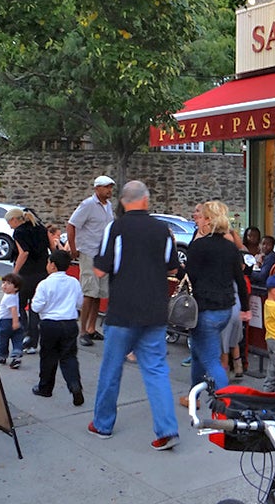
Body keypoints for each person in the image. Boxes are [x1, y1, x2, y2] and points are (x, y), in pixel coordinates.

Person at [88, 180, 181, 449]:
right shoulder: (162, 230)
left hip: (122, 310)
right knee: (156, 370)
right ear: (146, 200)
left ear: (124, 202)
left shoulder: (115, 228)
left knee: (111, 369)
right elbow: (173, 268)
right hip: (154, 310)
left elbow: (101, 269)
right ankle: (167, 430)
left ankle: (103, 424)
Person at [181, 200, 249, 405]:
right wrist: (245, 308)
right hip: (225, 308)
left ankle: (231, 404)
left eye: (201, 216)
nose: (198, 220)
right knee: (197, 352)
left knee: (211, 359)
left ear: (208, 220)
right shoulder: (230, 247)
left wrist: (177, 268)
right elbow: (240, 279)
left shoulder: (199, 246)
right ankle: (194, 396)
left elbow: (189, 276)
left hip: (205, 309)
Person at [31, 250, 84, 406]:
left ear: (52, 265)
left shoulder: (45, 284)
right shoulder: (73, 282)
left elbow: (36, 306)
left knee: (48, 357)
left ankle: (45, 388)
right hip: (69, 323)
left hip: (50, 323)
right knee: (69, 357)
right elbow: (80, 302)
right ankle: (74, 385)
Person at [67, 175, 116, 346]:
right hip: (89, 252)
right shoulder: (88, 204)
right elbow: (72, 224)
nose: (109, 190)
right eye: (106, 187)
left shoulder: (108, 206)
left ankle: (91, 328)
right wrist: (73, 248)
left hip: (103, 254)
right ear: (97, 188)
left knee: (99, 294)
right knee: (89, 292)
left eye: (110, 187)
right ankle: (82, 331)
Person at [5, 207, 51, 354]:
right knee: (35, 307)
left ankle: (25, 336)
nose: (9, 225)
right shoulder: (41, 229)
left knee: (19, 305)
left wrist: (14, 273)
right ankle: (33, 341)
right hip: (42, 272)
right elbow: (52, 246)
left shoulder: (19, 232)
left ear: (14, 219)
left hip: (26, 273)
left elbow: (23, 253)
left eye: (9, 222)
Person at [0, 273, 25, 369]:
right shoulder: (14, 295)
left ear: (16, 288)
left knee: (3, 339)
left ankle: (2, 355)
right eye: (3, 283)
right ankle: (16, 354)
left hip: (6, 322)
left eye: (8, 284)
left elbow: (13, 309)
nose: (4, 285)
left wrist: (15, 322)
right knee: (17, 338)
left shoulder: (9, 297)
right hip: (15, 320)